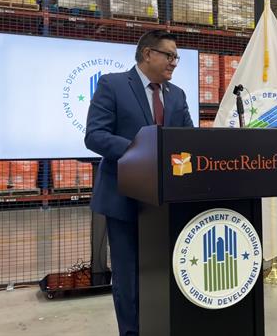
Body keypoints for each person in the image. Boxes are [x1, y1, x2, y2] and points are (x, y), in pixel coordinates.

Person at [84, 30, 194, 336]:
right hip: (124, 199)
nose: (174, 62)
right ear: (148, 53)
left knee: (164, 272)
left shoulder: (177, 95)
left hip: (167, 201)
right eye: (169, 55)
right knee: (129, 276)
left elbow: (187, 139)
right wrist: (142, 151)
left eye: (176, 57)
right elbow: (94, 136)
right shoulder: (113, 84)